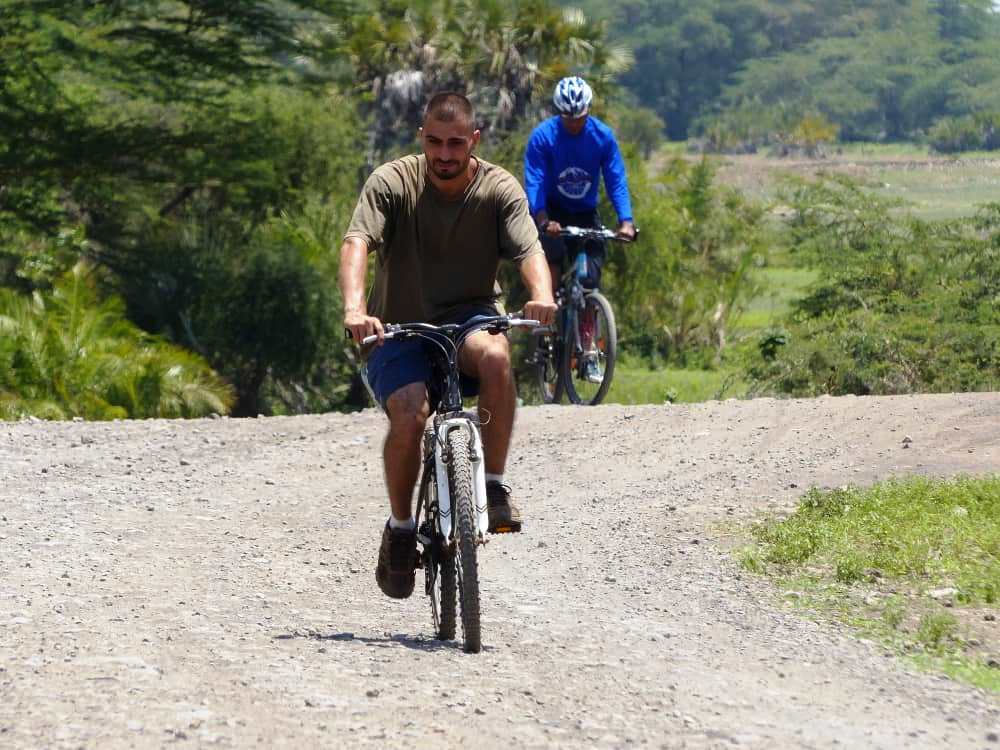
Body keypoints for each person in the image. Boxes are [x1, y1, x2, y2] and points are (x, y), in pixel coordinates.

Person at [338, 92, 557, 600]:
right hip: (399, 328)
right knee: (410, 411)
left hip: (469, 319)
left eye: (456, 143)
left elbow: (528, 249)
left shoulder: (498, 188)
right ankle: (400, 529)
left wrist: (542, 295)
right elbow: (357, 243)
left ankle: (494, 485)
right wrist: (355, 309)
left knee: (497, 357)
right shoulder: (392, 182)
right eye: (434, 142)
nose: (444, 154)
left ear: (474, 140)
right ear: (421, 137)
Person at [523, 76, 635, 382]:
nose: (574, 123)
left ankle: (588, 352)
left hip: (586, 213)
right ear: (559, 113)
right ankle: (547, 320)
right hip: (551, 214)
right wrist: (542, 218)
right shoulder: (543, 137)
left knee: (588, 282)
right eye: (568, 118)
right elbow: (534, 180)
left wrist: (626, 221)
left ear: (588, 111)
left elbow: (616, 179)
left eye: (580, 118)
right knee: (552, 259)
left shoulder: (602, 137)